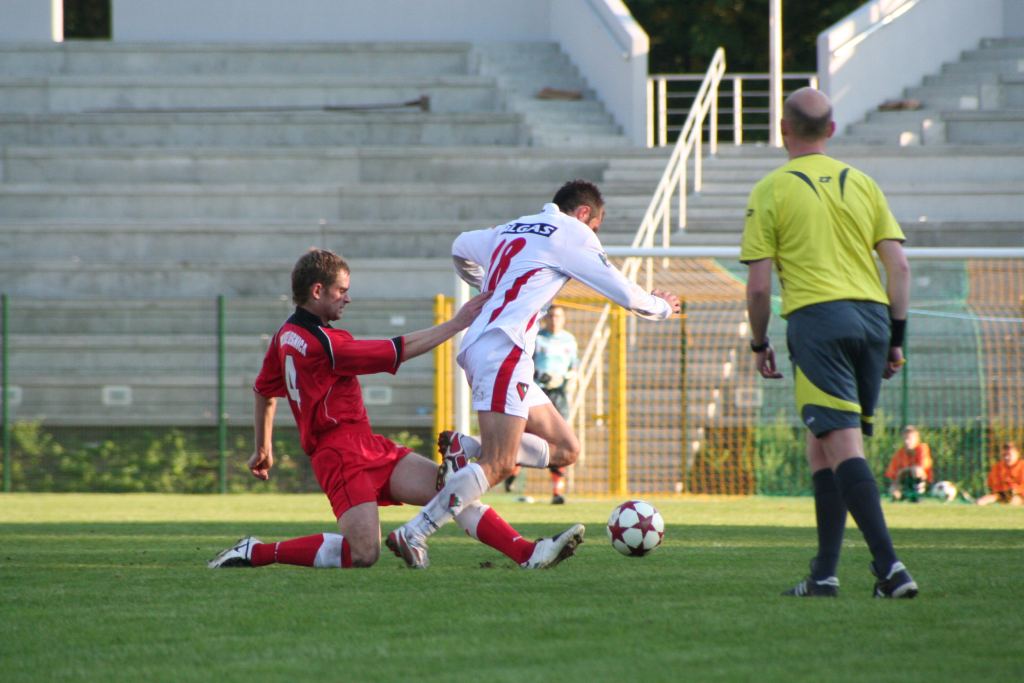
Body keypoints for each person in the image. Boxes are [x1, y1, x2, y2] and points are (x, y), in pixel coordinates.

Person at [208, 248, 585, 571]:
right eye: (342, 290)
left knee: (450, 490)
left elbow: (263, 391)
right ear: (317, 290)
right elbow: (397, 350)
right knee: (363, 553)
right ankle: (255, 552)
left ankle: (528, 552)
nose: (347, 298)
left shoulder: (284, 336)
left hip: (365, 444)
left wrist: (263, 447)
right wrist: (457, 323)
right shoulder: (325, 345)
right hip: (338, 455)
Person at [387, 179, 681, 568]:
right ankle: (415, 532)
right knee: (499, 463)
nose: (594, 238)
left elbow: (460, 245)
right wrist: (661, 307)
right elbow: (624, 293)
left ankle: (467, 449)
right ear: (584, 214)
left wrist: (489, 285)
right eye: (596, 228)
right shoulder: (573, 232)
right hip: (503, 347)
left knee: (566, 449)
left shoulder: (513, 227)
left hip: (497, 348)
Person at [741, 87, 918, 599]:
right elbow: (899, 266)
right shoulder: (861, 182)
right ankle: (824, 574)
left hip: (819, 321)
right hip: (874, 320)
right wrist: (896, 338)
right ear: (833, 131)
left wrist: (759, 343)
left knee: (842, 445)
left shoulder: (772, 189)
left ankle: (891, 569)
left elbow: (757, 286)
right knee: (823, 448)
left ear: (783, 131)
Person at [503, 304, 579, 503]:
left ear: (564, 319)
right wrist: (540, 376)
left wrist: (565, 378)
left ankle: (557, 492)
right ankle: (512, 470)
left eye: (558, 316)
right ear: (547, 318)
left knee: (560, 439)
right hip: (537, 391)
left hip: (559, 394)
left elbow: (574, 367)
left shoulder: (569, 340)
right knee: (525, 434)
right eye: (552, 316)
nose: (554, 319)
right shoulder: (538, 338)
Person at [884, 425, 934, 502]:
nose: (907, 441)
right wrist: (895, 488)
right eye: (905, 438)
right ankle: (904, 494)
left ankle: (918, 495)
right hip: (905, 481)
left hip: (924, 482)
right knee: (893, 490)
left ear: (917, 439)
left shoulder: (922, 448)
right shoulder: (899, 453)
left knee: (916, 470)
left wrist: (903, 471)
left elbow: (921, 468)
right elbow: (892, 475)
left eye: (910, 439)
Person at [977, 441, 1024, 506]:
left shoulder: (1022, 466)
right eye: (1004, 455)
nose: (1006, 457)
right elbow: (992, 485)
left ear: (1017, 453)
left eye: (1009, 454)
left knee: (1014, 502)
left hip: (1019, 496)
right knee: (980, 502)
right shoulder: (997, 467)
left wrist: (1014, 490)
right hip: (1001, 495)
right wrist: (1002, 492)